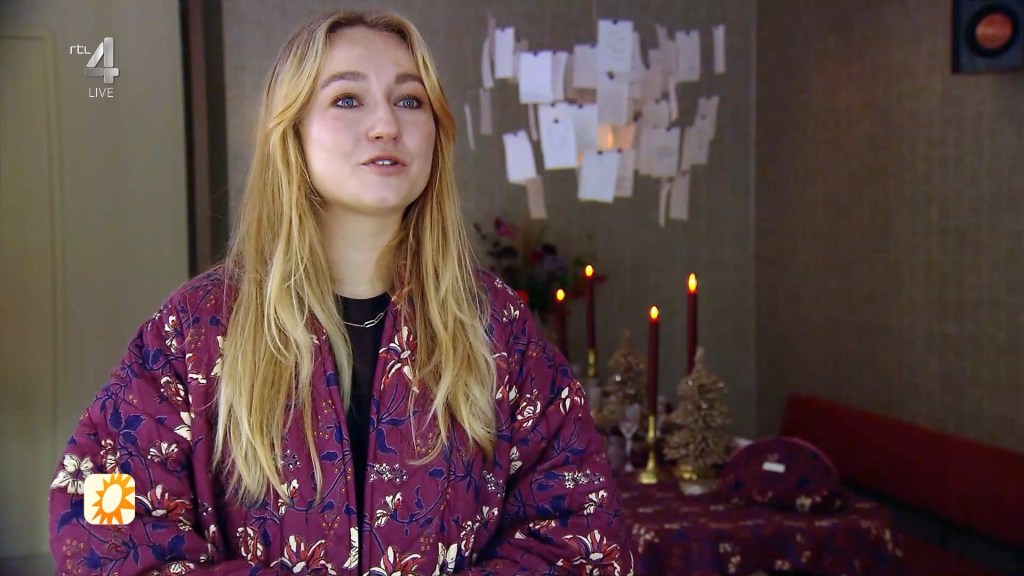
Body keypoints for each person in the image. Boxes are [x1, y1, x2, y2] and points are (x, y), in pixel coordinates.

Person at [48, 10, 632, 576]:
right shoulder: (199, 326)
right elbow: (98, 508)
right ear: (292, 132)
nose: (386, 125)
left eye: (410, 100)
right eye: (347, 99)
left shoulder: (495, 326)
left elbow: (583, 525)